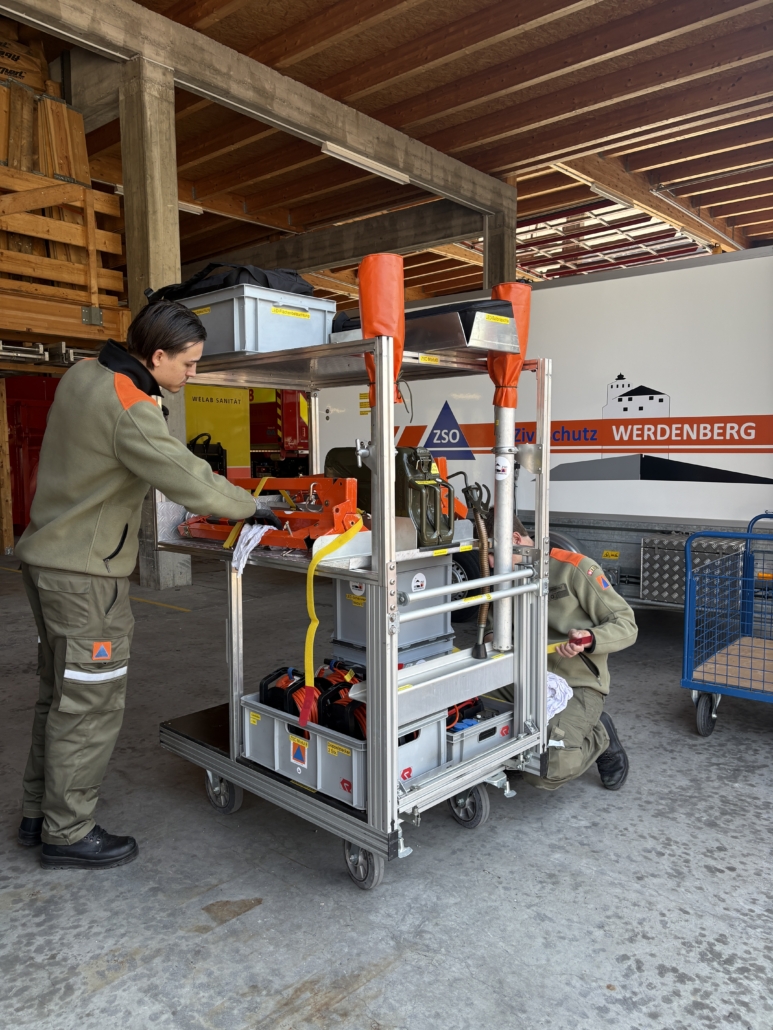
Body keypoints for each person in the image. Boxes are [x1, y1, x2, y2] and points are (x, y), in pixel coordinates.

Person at [15, 301, 281, 870]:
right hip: (86, 580)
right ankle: (67, 832)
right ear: (157, 356)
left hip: (47, 562)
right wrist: (253, 506)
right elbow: (186, 477)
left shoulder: (84, 374)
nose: (193, 374)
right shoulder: (130, 404)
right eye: (188, 363)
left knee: (60, 697)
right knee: (90, 704)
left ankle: (39, 813)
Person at [489, 517, 637, 791]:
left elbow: (626, 625)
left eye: (490, 553)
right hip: (522, 676)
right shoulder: (502, 576)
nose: (488, 563)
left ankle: (600, 735)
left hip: (575, 682)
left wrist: (588, 638)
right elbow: (491, 627)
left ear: (515, 540)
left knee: (545, 771)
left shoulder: (575, 568)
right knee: (470, 713)